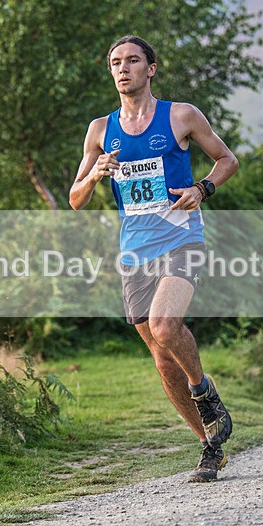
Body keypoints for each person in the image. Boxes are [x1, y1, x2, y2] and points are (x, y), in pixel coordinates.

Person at [69, 35, 239, 482]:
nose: (122, 69)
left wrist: (203, 188)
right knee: (163, 361)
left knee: (166, 325)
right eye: (115, 63)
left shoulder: (181, 115)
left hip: (182, 240)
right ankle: (209, 447)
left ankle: (204, 392)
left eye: (132, 61)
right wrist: (94, 176)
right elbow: (75, 198)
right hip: (134, 253)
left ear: (151, 68)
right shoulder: (100, 130)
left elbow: (227, 159)